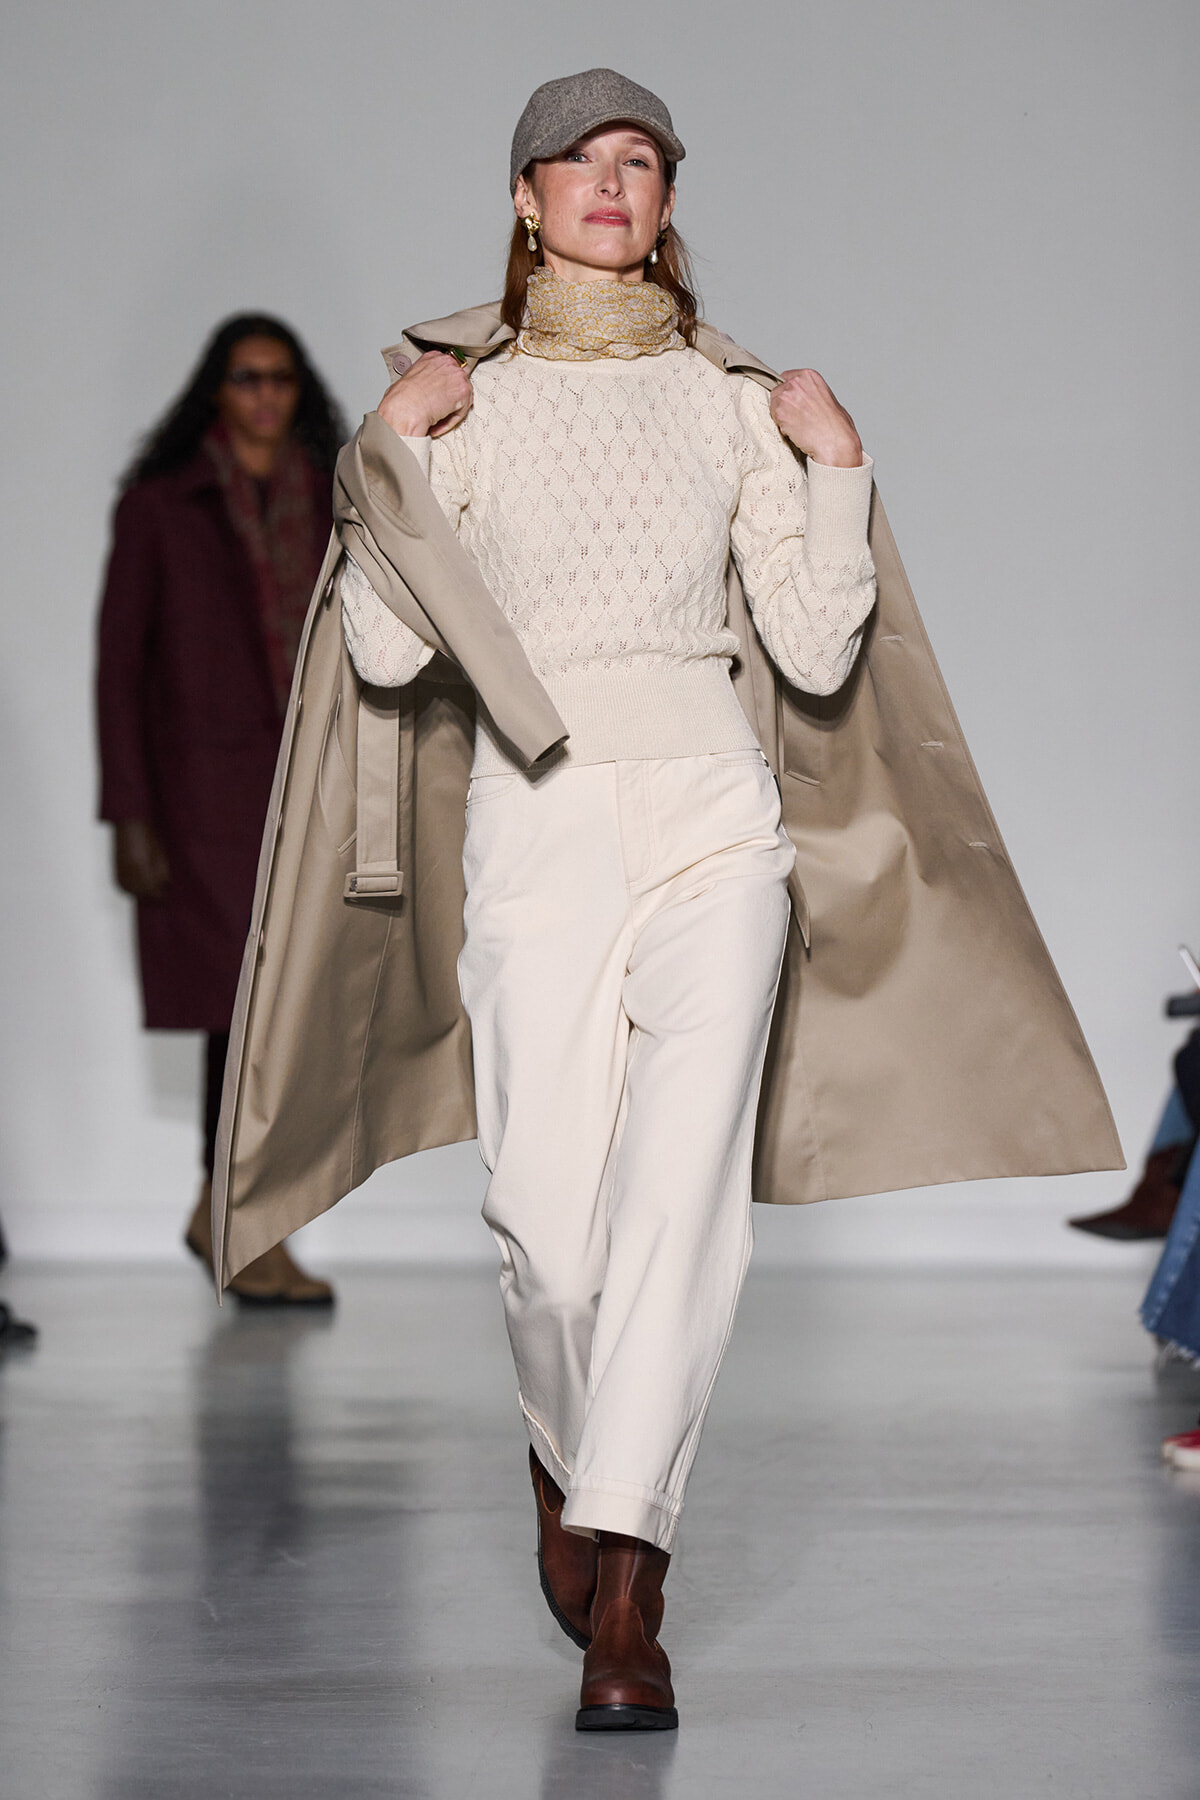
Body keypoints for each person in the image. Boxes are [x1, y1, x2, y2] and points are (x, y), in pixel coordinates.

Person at [212, 70, 1122, 1731]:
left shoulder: (727, 400)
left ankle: (630, 1582)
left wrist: (836, 467)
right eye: (578, 161)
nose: (610, 183)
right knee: (548, 1237)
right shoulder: (460, 403)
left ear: (667, 197)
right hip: (537, 825)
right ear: (524, 197)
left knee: (682, 1212)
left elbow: (817, 650)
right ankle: (568, 1460)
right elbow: (387, 654)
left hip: (717, 826)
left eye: (639, 160)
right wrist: (391, 457)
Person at [97, 314, 346, 1305]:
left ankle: (231, 1213)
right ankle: (240, 1221)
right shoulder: (161, 507)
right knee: (237, 1016)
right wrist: (129, 815)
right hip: (203, 805)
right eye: (247, 378)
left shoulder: (330, 496)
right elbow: (119, 671)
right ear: (217, 389)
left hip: (311, 791)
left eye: (281, 378)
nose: (265, 396)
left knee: (293, 1019)